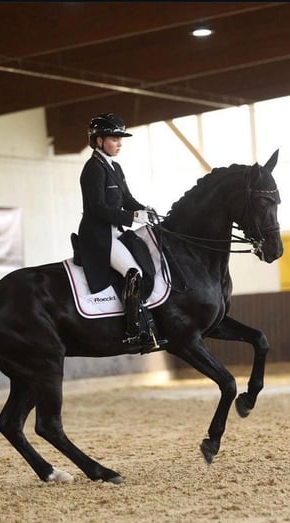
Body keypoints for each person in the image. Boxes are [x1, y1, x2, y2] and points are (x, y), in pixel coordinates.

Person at [76, 113, 166, 352]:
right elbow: (96, 208)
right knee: (133, 272)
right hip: (98, 236)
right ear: (98, 140)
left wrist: (143, 209)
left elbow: (126, 198)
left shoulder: (114, 166)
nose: (119, 143)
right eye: (114, 139)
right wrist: (131, 217)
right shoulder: (93, 169)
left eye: (120, 139)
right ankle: (134, 331)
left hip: (115, 232)